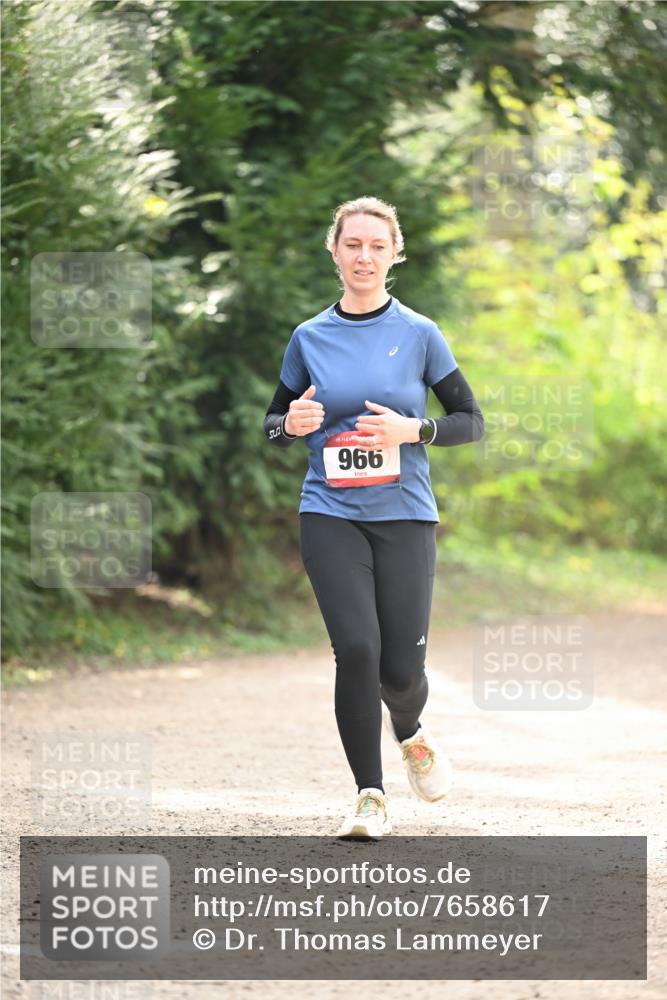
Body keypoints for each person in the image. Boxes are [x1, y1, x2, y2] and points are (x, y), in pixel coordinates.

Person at [264, 196, 484, 839]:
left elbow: (470, 420)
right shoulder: (309, 337)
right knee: (356, 650)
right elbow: (275, 422)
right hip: (329, 511)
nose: (364, 256)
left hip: (405, 516)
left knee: (401, 671)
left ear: (394, 255)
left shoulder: (419, 333)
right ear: (334, 252)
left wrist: (415, 429)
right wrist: (290, 424)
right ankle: (369, 796)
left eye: (376, 246)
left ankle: (411, 730)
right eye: (352, 244)